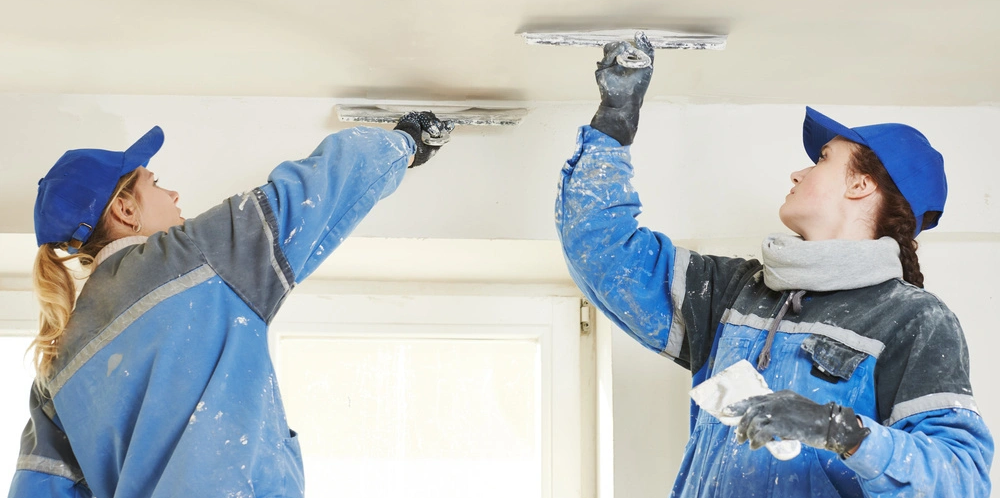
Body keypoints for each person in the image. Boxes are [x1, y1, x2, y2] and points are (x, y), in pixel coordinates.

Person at [555, 33, 993, 497]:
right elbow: (603, 251)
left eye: (822, 159)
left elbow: (959, 478)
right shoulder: (733, 292)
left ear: (862, 185)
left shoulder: (913, 320)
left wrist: (835, 429)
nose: (798, 173)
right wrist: (614, 122)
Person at [10, 112, 453, 498]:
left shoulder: (56, 363)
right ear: (125, 211)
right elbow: (320, 186)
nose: (174, 195)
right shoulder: (194, 256)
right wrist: (406, 141)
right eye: (156, 183)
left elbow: (40, 486)